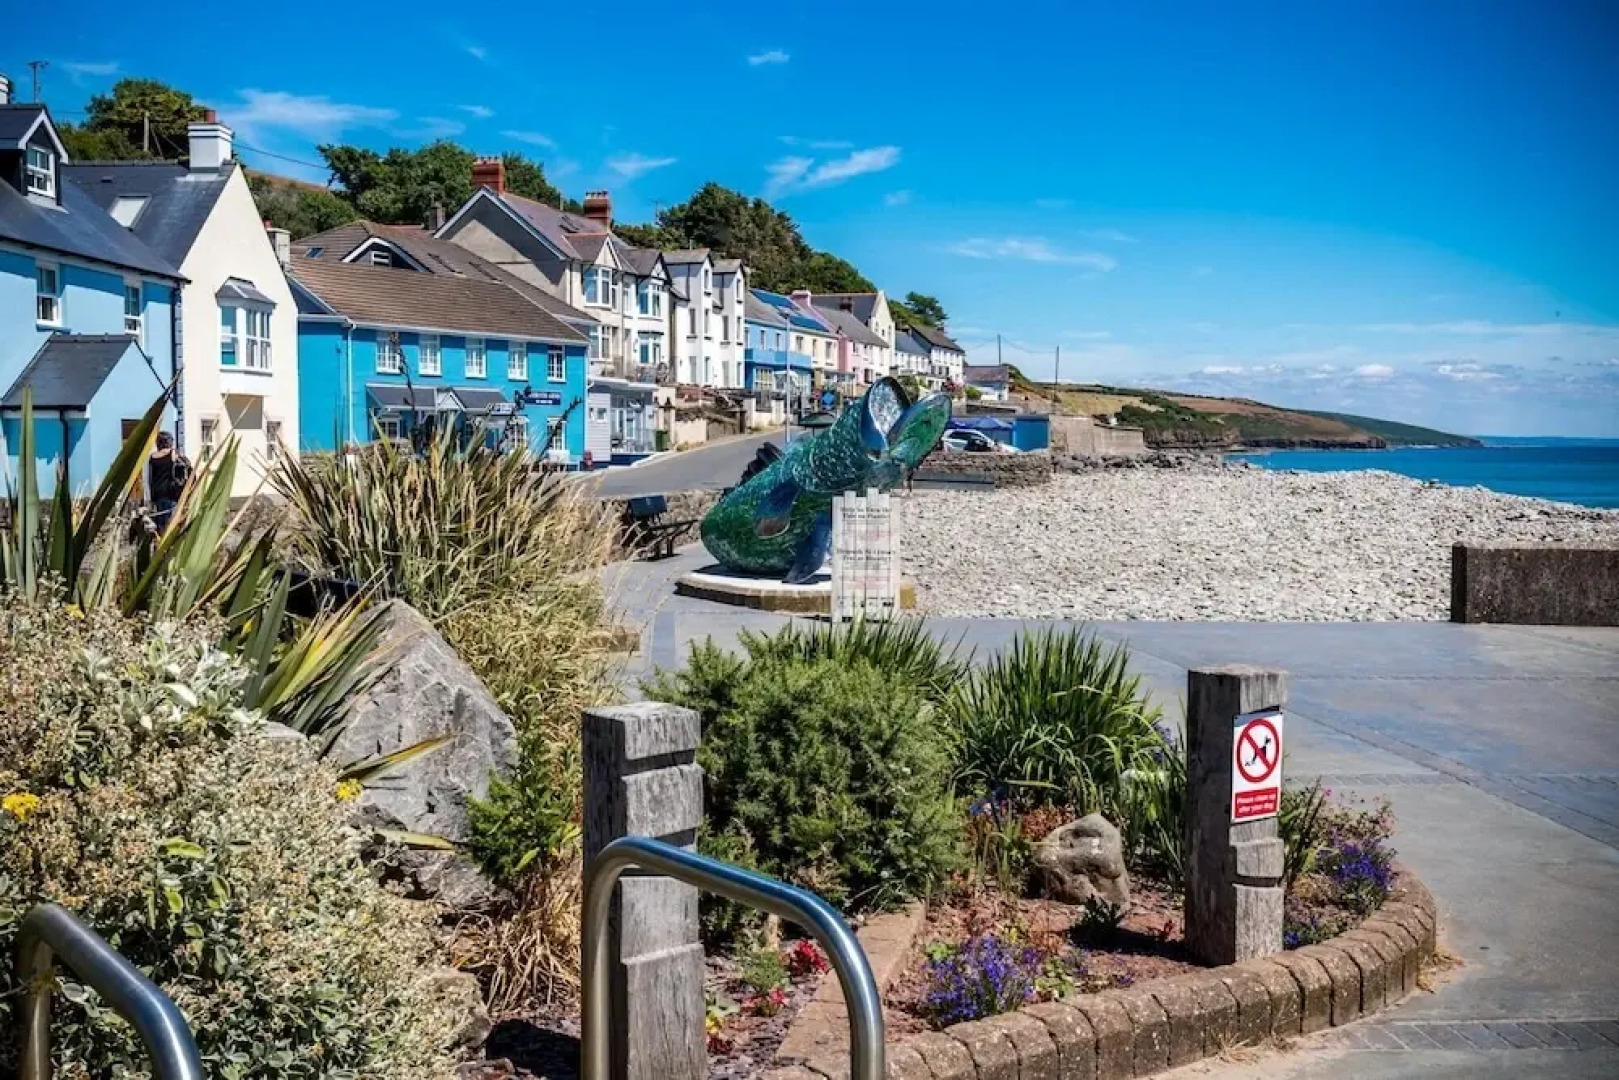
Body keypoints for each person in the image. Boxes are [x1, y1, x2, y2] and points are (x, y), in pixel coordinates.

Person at [148, 432, 189, 531]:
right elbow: (186, 465)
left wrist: (151, 497)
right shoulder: (173, 453)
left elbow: (150, 478)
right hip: (171, 493)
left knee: (161, 524)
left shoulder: (152, 457)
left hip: (157, 494)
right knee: (171, 524)